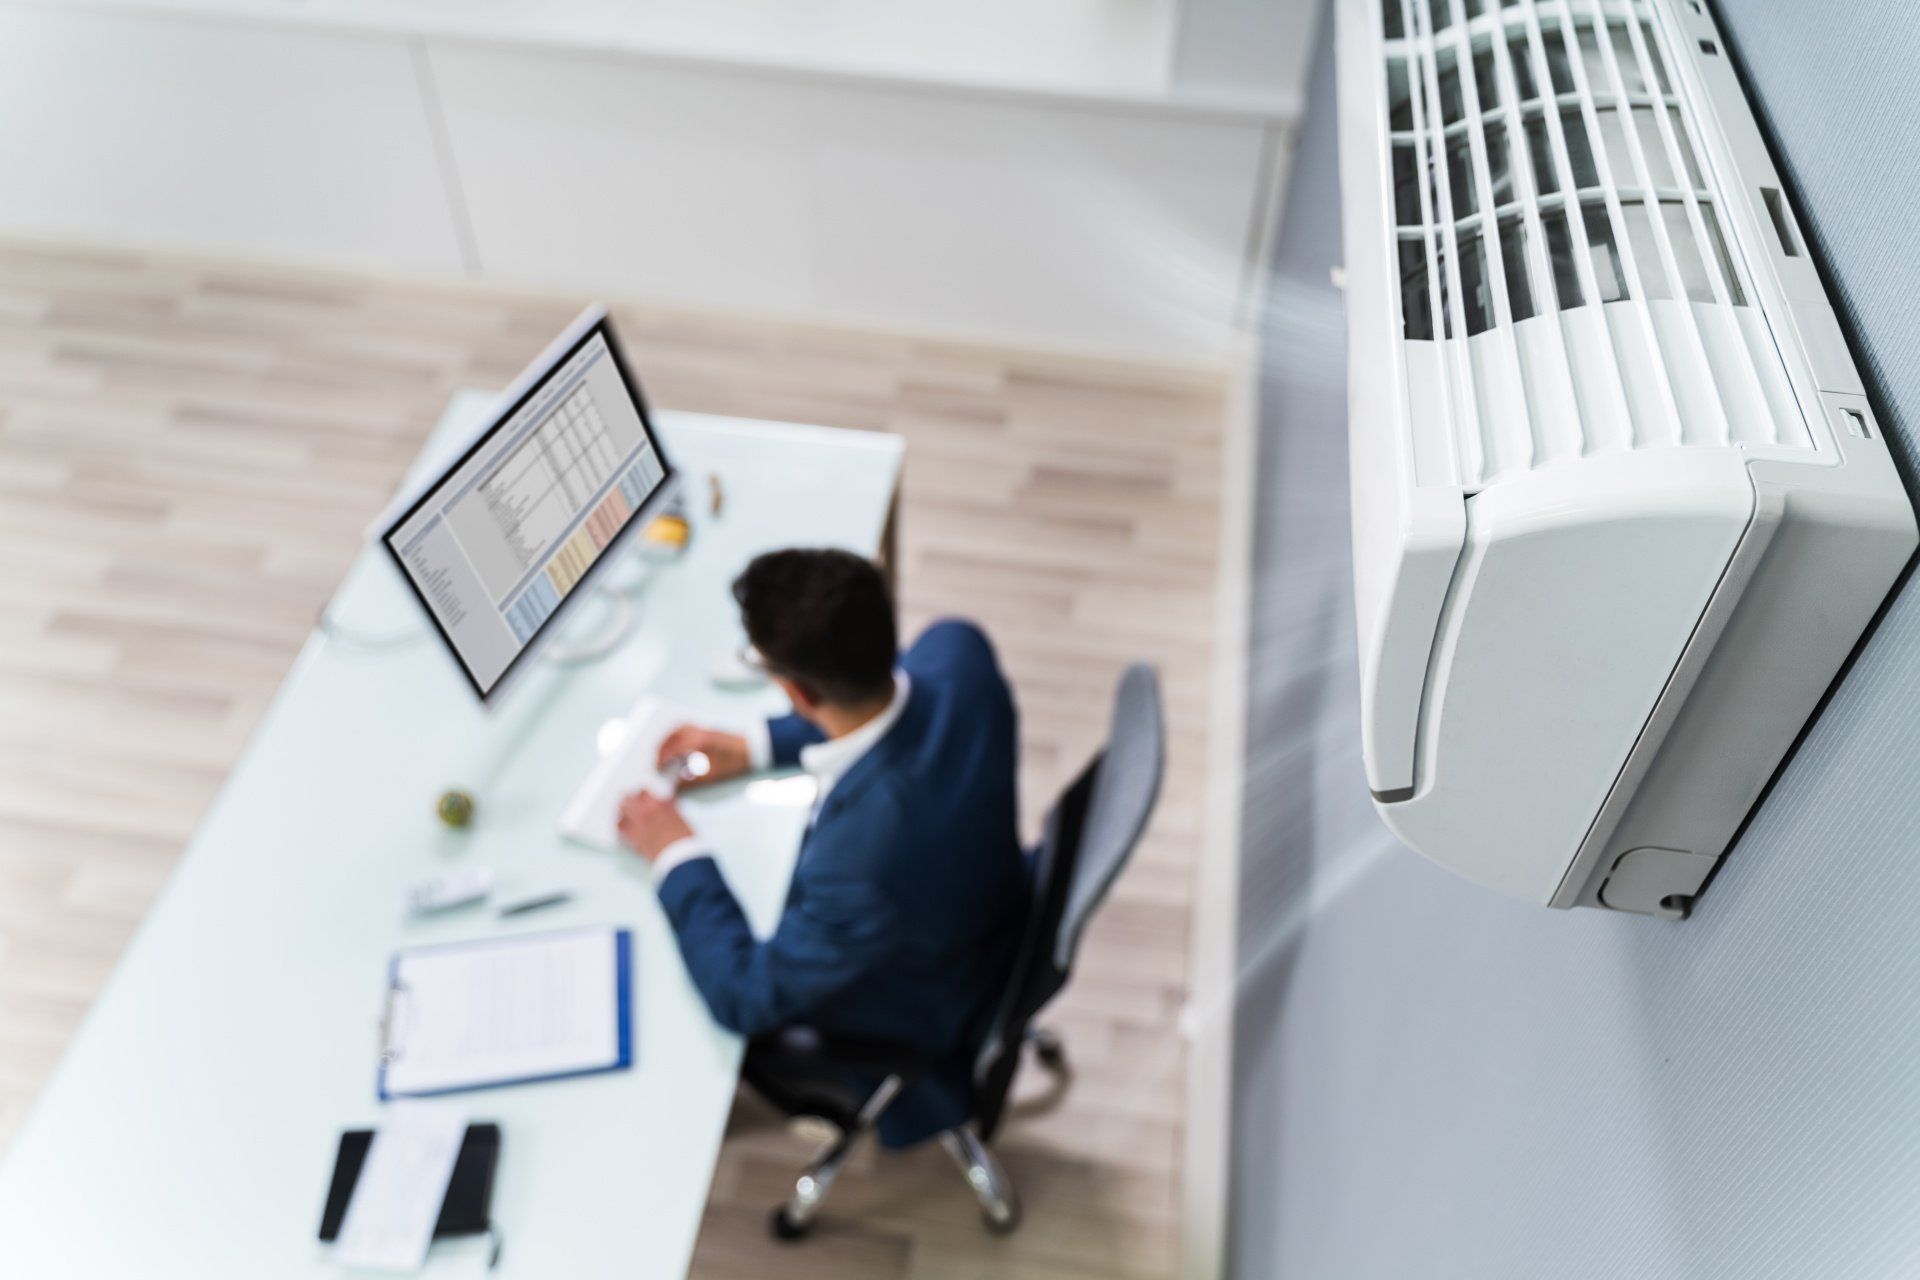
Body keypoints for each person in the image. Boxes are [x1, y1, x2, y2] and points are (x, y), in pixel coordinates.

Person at [617, 547, 1028, 1148]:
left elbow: (745, 995)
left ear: (798, 693)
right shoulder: (958, 650)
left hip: (923, 999)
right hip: (987, 900)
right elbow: (884, 700)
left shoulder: (860, 864)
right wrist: (754, 745)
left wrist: (675, 851)